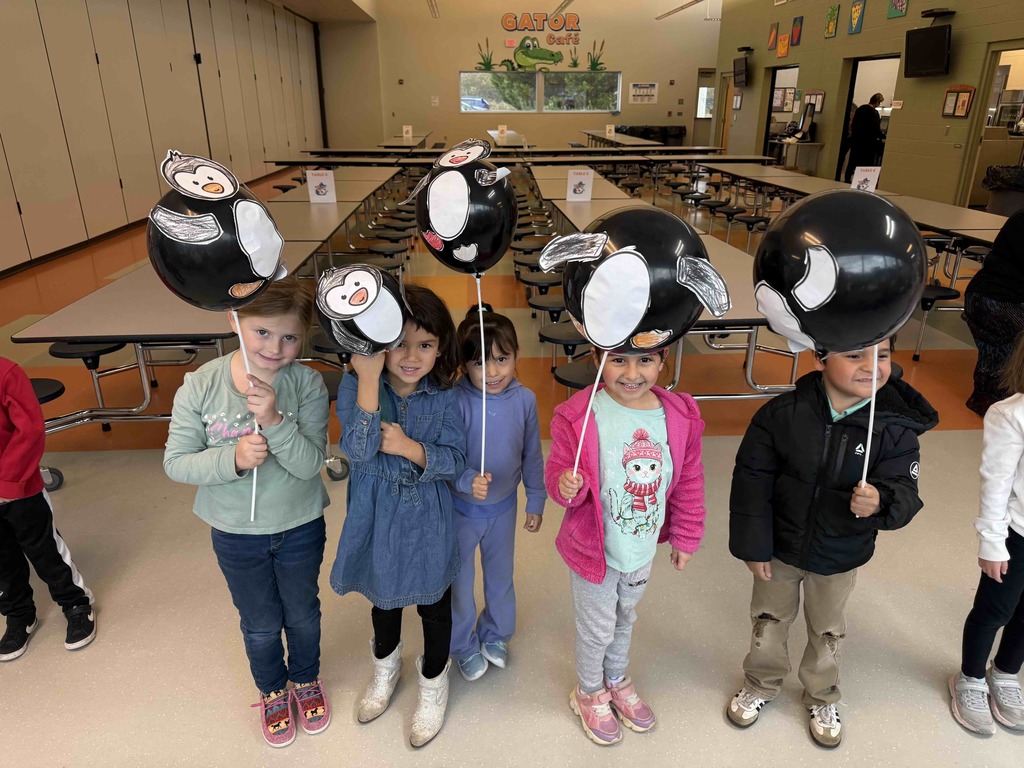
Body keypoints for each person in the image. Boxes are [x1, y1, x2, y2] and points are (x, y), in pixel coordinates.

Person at [726, 339, 937, 748]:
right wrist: (753, 546)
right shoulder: (781, 415)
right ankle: (761, 682)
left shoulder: (893, 426)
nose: (870, 366)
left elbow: (906, 491)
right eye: (855, 355)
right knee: (769, 621)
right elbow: (751, 482)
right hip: (779, 549)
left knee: (826, 631)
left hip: (839, 554)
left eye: (882, 355)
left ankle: (821, 694)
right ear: (820, 358)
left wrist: (882, 500)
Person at [164, 276, 332, 748]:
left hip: (298, 524)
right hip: (235, 532)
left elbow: (310, 464)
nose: (275, 348)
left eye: (289, 337)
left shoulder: (307, 384)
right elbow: (176, 462)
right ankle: (272, 689)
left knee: (302, 613)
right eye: (261, 332)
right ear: (234, 320)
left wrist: (276, 423)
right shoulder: (201, 385)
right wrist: (233, 460)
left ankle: (304, 678)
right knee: (259, 621)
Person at [545, 348, 707, 746]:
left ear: (663, 361)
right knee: (596, 628)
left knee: (624, 617)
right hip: (593, 551)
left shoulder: (679, 416)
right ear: (599, 358)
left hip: (641, 548)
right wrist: (565, 486)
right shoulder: (580, 416)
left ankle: (615, 680)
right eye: (618, 360)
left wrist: (686, 535)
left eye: (646, 361)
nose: (632, 373)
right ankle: (588, 690)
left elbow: (689, 480)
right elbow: (558, 475)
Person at [330, 284, 466, 748]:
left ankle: (434, 682)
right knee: (384, 599)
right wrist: (368, 379)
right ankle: (385, 670)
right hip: (376, 514)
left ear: (440, 348)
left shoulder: (445, 394)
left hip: (428, 514)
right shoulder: (356, 385)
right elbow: (358, 450)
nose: (411, 356)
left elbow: (455, 461)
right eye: (398, 343)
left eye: (425, 344)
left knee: (434, 605)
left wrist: (411, 448)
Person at [449, 307, 545, 682]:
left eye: (502, 360)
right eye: (479, 363)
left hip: (504, 509)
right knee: (459, 582)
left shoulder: (525, 400)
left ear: (516, 355)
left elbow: (532, 453)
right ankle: (461, 644)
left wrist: (535, 498)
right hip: (460, 510)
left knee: (500, 577)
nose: (492, 373)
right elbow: (445, 455)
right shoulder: (455, 400)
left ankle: (496, 633)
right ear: (463, 365)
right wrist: (465, 478)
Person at [950, 333, 1024, 734]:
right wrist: (993, 543)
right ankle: (970, 677)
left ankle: (1006, 673)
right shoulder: (1010, 414)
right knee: (995, 611)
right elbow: (996, 483)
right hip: (1017, 536)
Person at [0, 357, 96, 661]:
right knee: (2, 561)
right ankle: (19, 615)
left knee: (44, 551)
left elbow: (28, 430)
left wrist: (7, 482)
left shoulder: (6, 373)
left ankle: (75, 603)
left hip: (18, 488)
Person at [963, 210, 1024, 415]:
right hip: (999, 301)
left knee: (997, 353)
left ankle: (985, 397)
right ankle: (1003, 402)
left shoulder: (1019, 216)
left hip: (979, 295)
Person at [844, 93, 885, 183]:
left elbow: (853, 124)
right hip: (868, 143)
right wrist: (883, 136)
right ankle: (862, 182)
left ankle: (847, 178)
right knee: (866, 163)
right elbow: (875, 128)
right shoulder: (874, 113)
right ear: (877, 102)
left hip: (856, 140)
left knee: (852, 161)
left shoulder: (860, 109)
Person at [836, 101, 857, 182]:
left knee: (841, 157)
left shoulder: (843, 105)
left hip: (846, 135)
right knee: (843, 157)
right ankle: (844, 176)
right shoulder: (854, 107)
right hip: (849, 135)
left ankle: (838, 175)